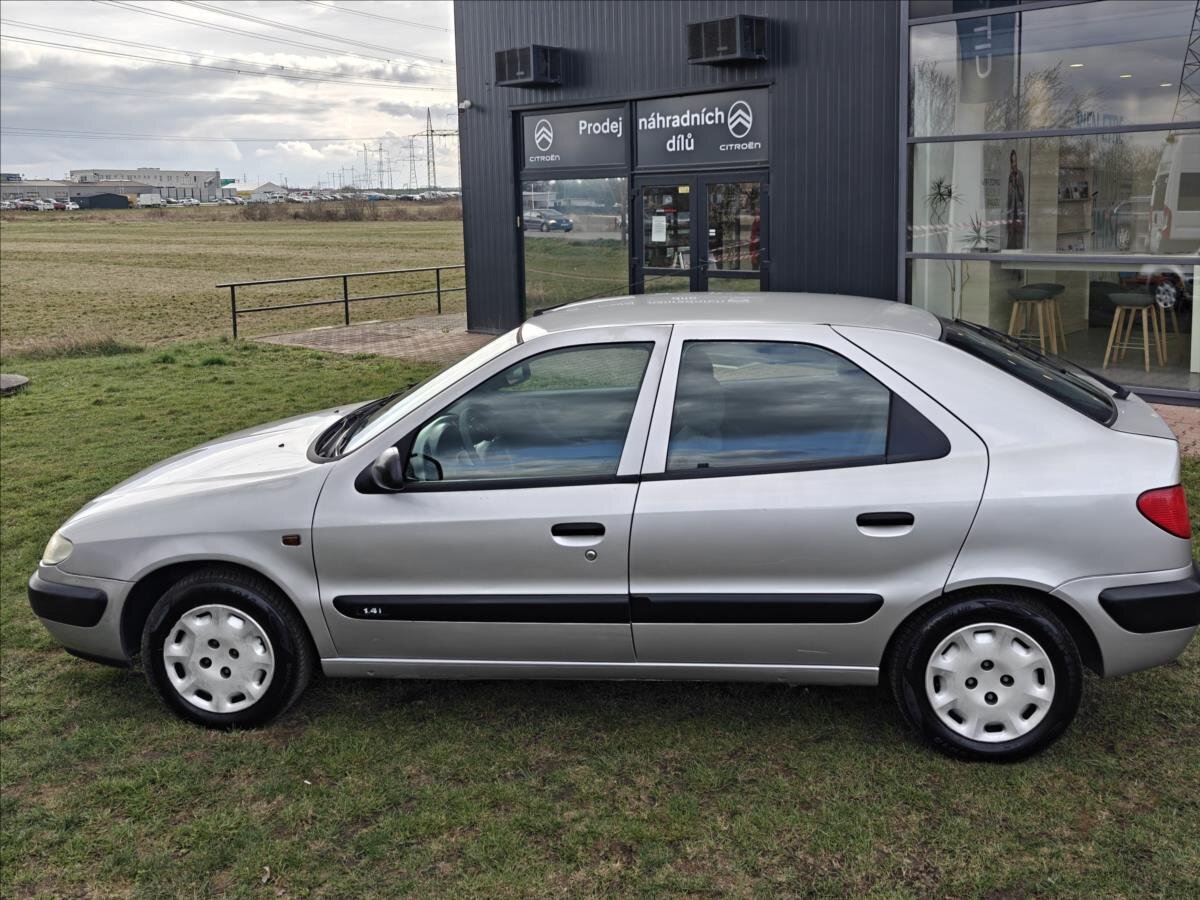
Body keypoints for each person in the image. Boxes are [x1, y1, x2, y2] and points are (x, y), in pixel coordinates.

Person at [1006, 148, 1025, 250]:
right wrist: (1011, 187)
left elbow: (1022, 196)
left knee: (1018, 241)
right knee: (1010, 239)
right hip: (1011, 212)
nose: (1013, 164)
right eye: (1012, 161)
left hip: (1019, 212)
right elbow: (1009, 198)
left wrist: (1017, 184)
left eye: (1015, 161)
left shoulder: (1020, 175)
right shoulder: (1010, 177)